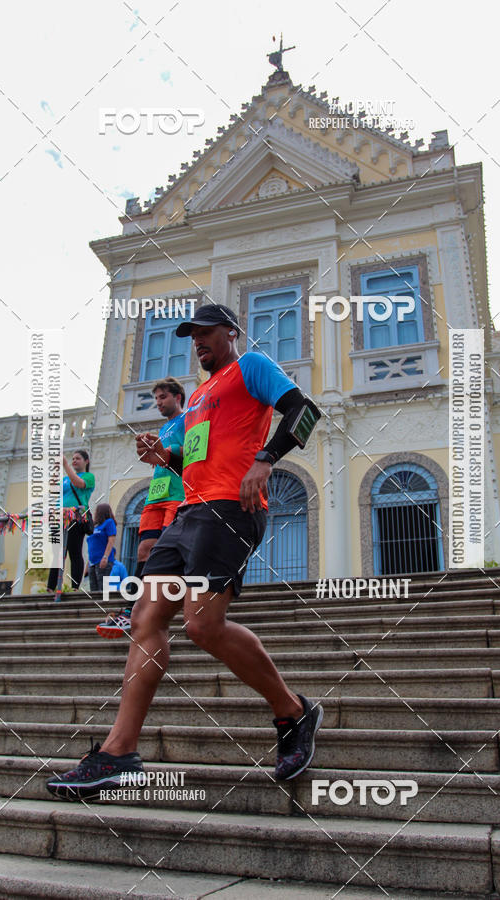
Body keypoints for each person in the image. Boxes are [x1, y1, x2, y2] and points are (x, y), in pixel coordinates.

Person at [46, 303, 322, 800]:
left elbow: (305, 412)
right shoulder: (197, 399)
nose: (197, 341)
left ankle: (293, 711)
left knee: (201, 625)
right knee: (145, 620)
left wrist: (266, 460)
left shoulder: (251, 367)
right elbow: (193, 460)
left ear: (230, 333)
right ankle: (119, 753)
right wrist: (165, 456)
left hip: (231, 510)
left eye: (206, 332)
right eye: (191, 335)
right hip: (186, 515)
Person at [96, 377, 185, 638]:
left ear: (177, 397)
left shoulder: (189, 418)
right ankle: (132, 609)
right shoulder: (165, 426)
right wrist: (150, 452)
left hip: (178, 493)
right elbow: (158, 457)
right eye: (156, 398)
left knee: (166, 551)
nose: (158, 402)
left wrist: (165, 450)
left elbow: (193, 449)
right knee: (144, 549)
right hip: (155, 495)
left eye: (163, 397)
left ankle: (147, 608)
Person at [47, 450, 95, 592]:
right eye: (73, 458)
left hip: (76, 516)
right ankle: (51, 587)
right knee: (57, 553)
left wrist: (66, 465)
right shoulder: (65, 479)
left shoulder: (88, 476)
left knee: (74, 552)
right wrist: (57, 467)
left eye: (78, 458)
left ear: (86, 461)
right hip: (59, 517)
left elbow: (78, 484)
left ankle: (75, 587)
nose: (74, 461)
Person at [86, 504, 117, 591]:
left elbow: (111, 540)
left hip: (103, 560)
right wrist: (87, 566)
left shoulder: (109, 523)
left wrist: (105, 557)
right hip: (92, 562)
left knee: (102, 589)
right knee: (93, 590)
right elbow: (92, 547)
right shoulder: (95, 527)